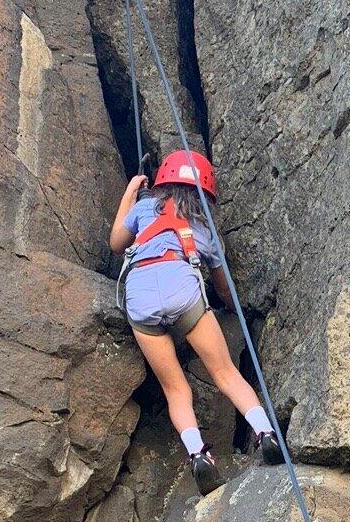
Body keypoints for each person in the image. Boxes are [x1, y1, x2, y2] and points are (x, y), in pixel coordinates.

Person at [109, 150, 284, 492]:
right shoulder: (204, 227)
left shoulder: (144, 208)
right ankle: (266, 433)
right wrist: (236, 310)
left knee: (176, 390)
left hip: (141, 298)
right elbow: (222, 285)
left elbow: (117, 243)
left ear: (162, 182)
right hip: (182, 291)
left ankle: (198, 455)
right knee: (226, 374)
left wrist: (131, 190)